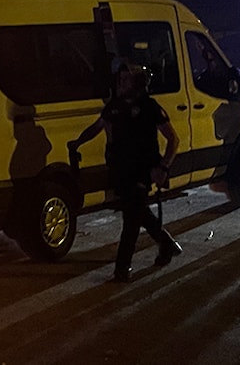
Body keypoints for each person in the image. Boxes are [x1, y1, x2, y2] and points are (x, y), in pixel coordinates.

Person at [68, 64, 182, 282]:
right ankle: (166, 244)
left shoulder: (150, 107)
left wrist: (164, 167)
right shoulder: (115, 106)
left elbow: (172, 139)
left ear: (138, 83)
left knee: (131, 220)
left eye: (126, 80)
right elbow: (98, 126)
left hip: (142, 170)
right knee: (140, 213)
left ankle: (122, 269)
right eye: (120, 79)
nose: (121, 83)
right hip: (121, 169)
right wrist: (78, 143)